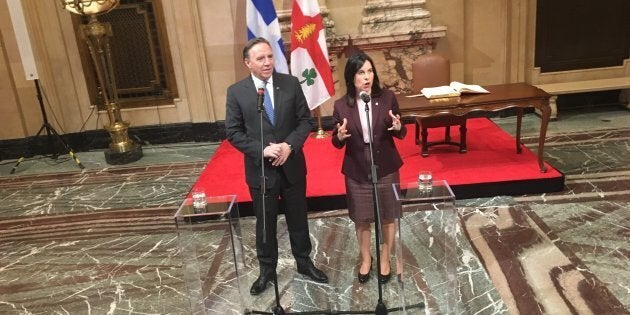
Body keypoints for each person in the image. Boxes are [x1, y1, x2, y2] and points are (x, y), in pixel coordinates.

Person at [225, 37, 328, 296]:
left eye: (270, 56)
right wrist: (262, 150)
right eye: (260, 58)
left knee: (298, 218)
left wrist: (289, 146)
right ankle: (267, 271)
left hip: (291, 165)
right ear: (247, 63)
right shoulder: (236, 92)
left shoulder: (291, 84)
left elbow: (305, 121)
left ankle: (304, 263)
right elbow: (234, 132)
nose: (267, 62)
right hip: (262, 171)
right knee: (265, 223)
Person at [331, 52, 406, 284]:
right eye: (361, 72)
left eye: (370, 71)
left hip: (385, 163)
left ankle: (385, 258)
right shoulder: (341, 106)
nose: (367, 77)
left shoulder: (387, 98)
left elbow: (401, 132)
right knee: (362, 218)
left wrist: (397, 127)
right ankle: (366, 259)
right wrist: (340, 136)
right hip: (356, 166)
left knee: (387, 215)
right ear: (351, 77)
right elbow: (336, 141)